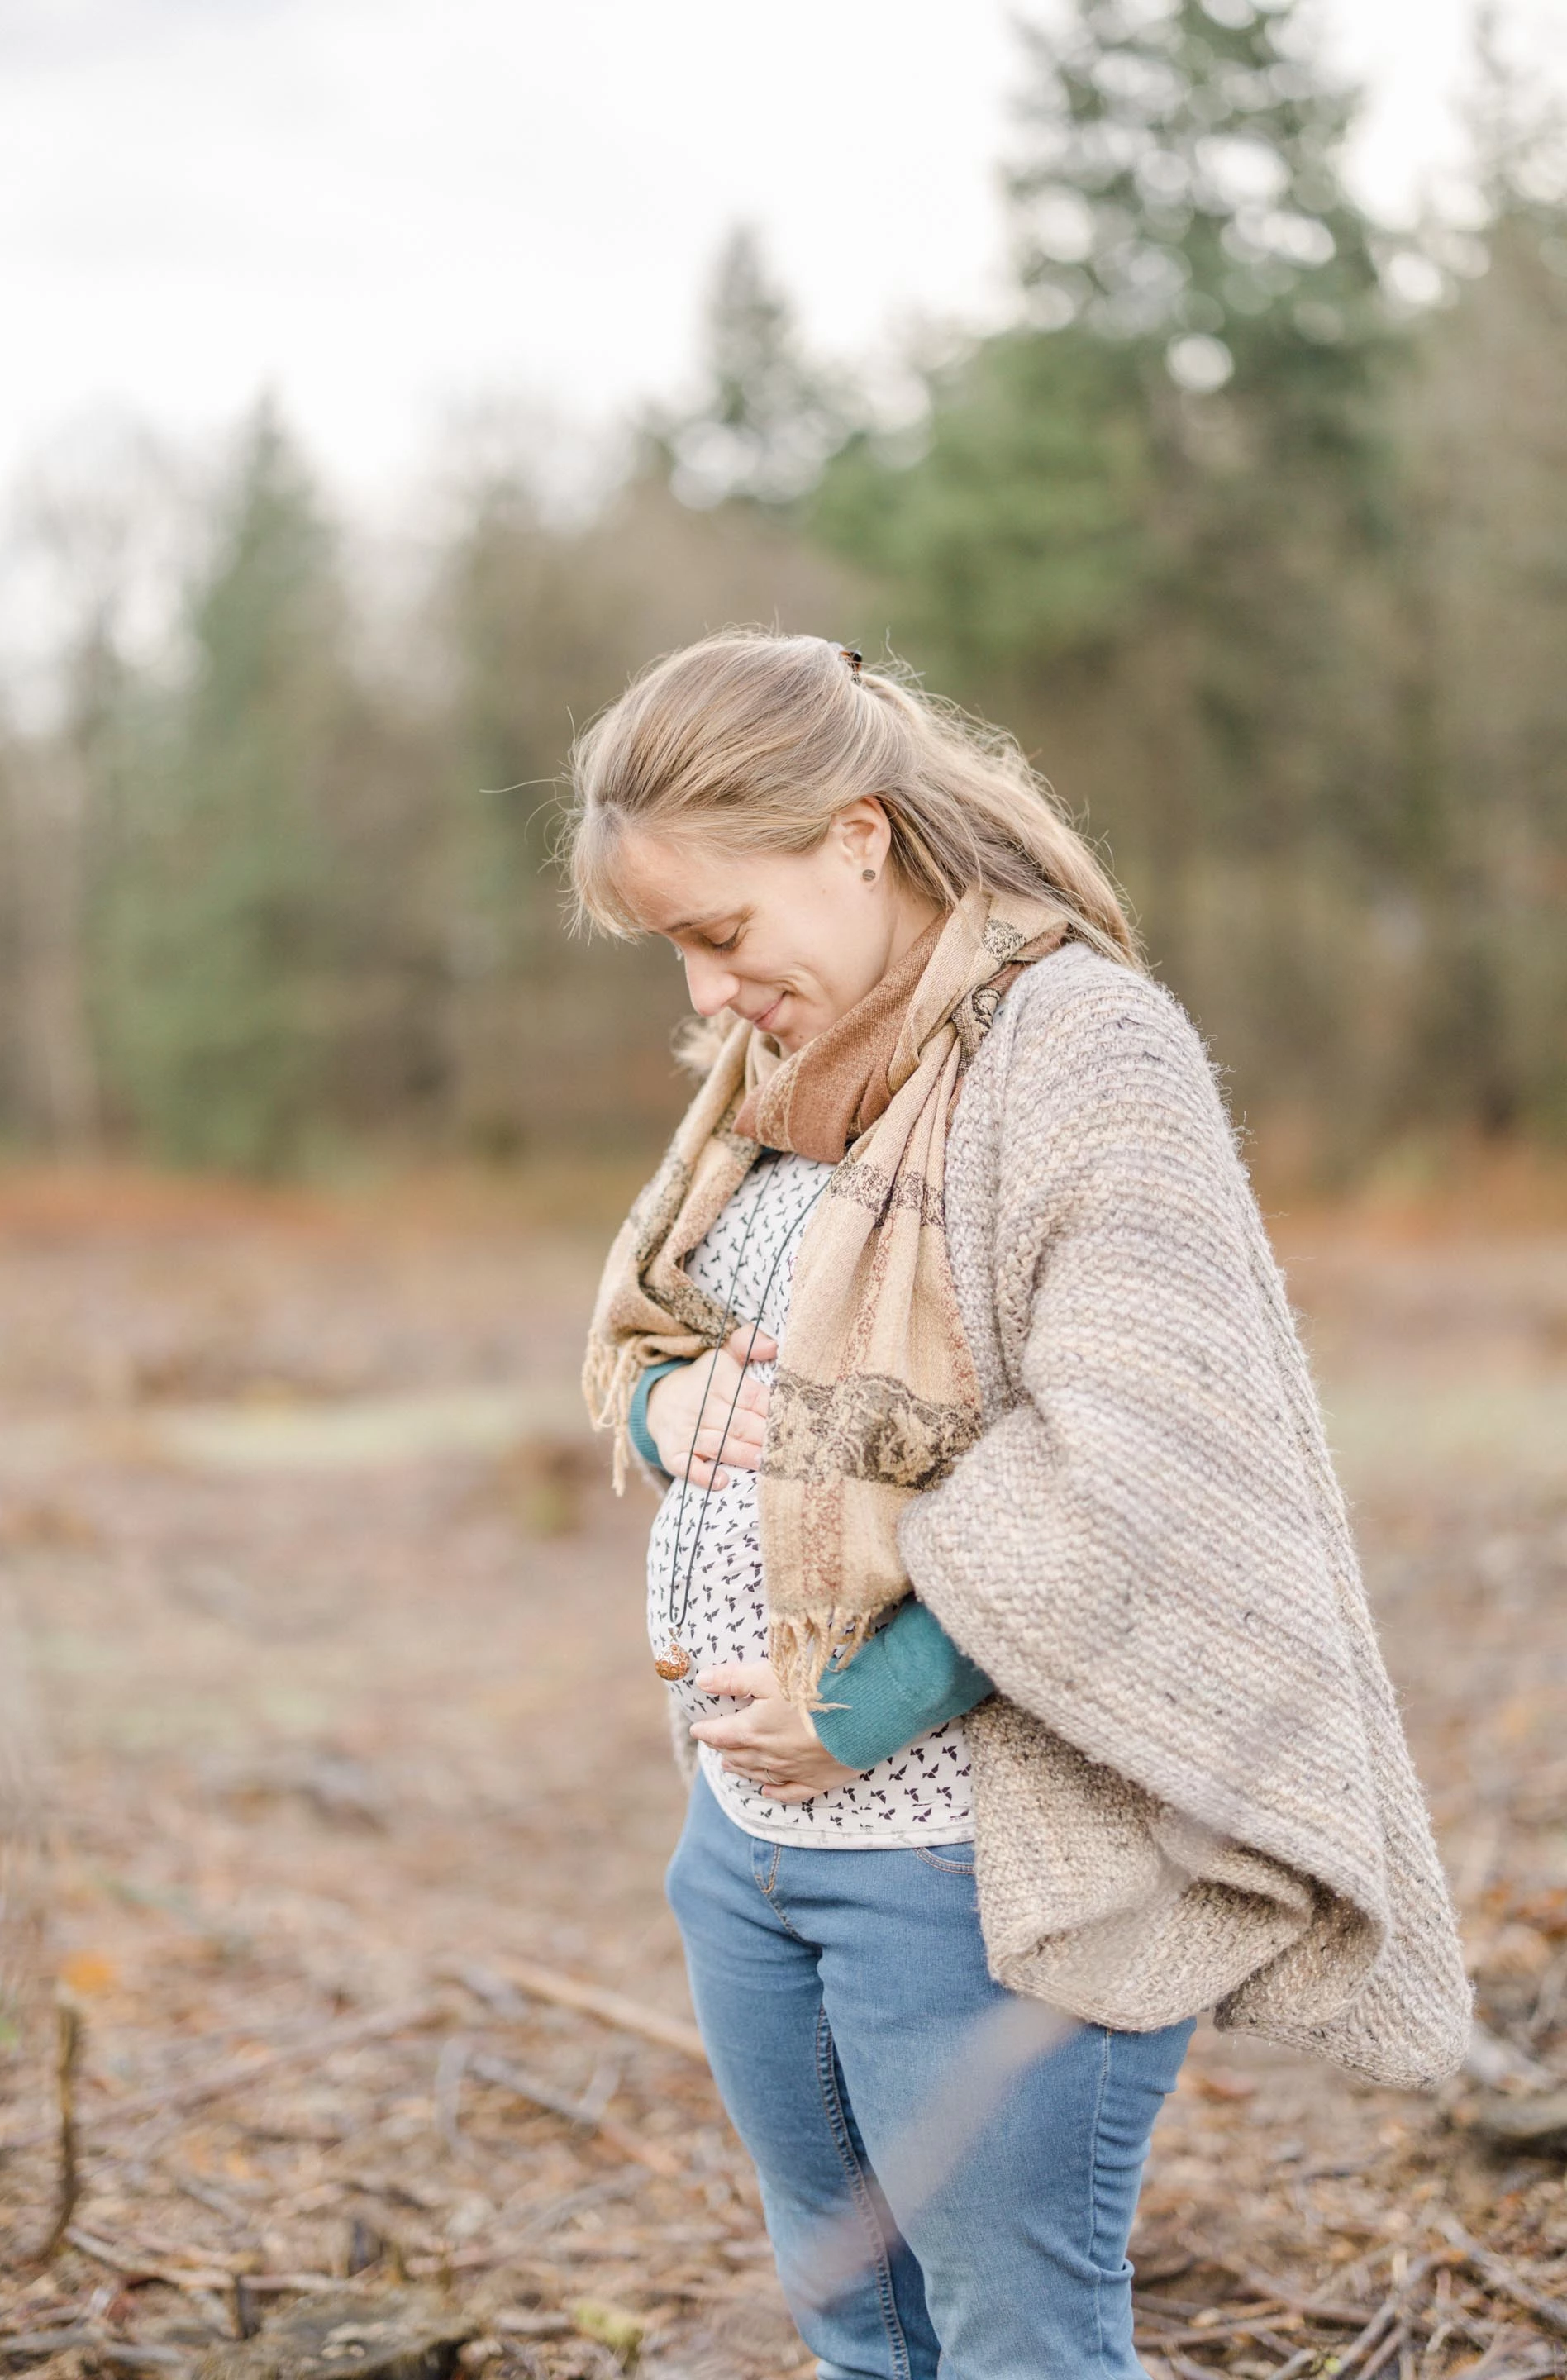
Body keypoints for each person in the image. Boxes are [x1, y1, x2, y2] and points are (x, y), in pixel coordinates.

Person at [567, 631, 1469, 2380]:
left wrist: (865, 1702)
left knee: (1013, 2340)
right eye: (670, 951)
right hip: (746, 1848)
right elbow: (657, 1355)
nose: (699, 997)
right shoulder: (788, 1080)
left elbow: (1131, 1471)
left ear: (853, 836)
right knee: (856, 2331)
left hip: (979, 1859)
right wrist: (698, 1409)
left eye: (717, 934)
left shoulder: (1081, 1055)